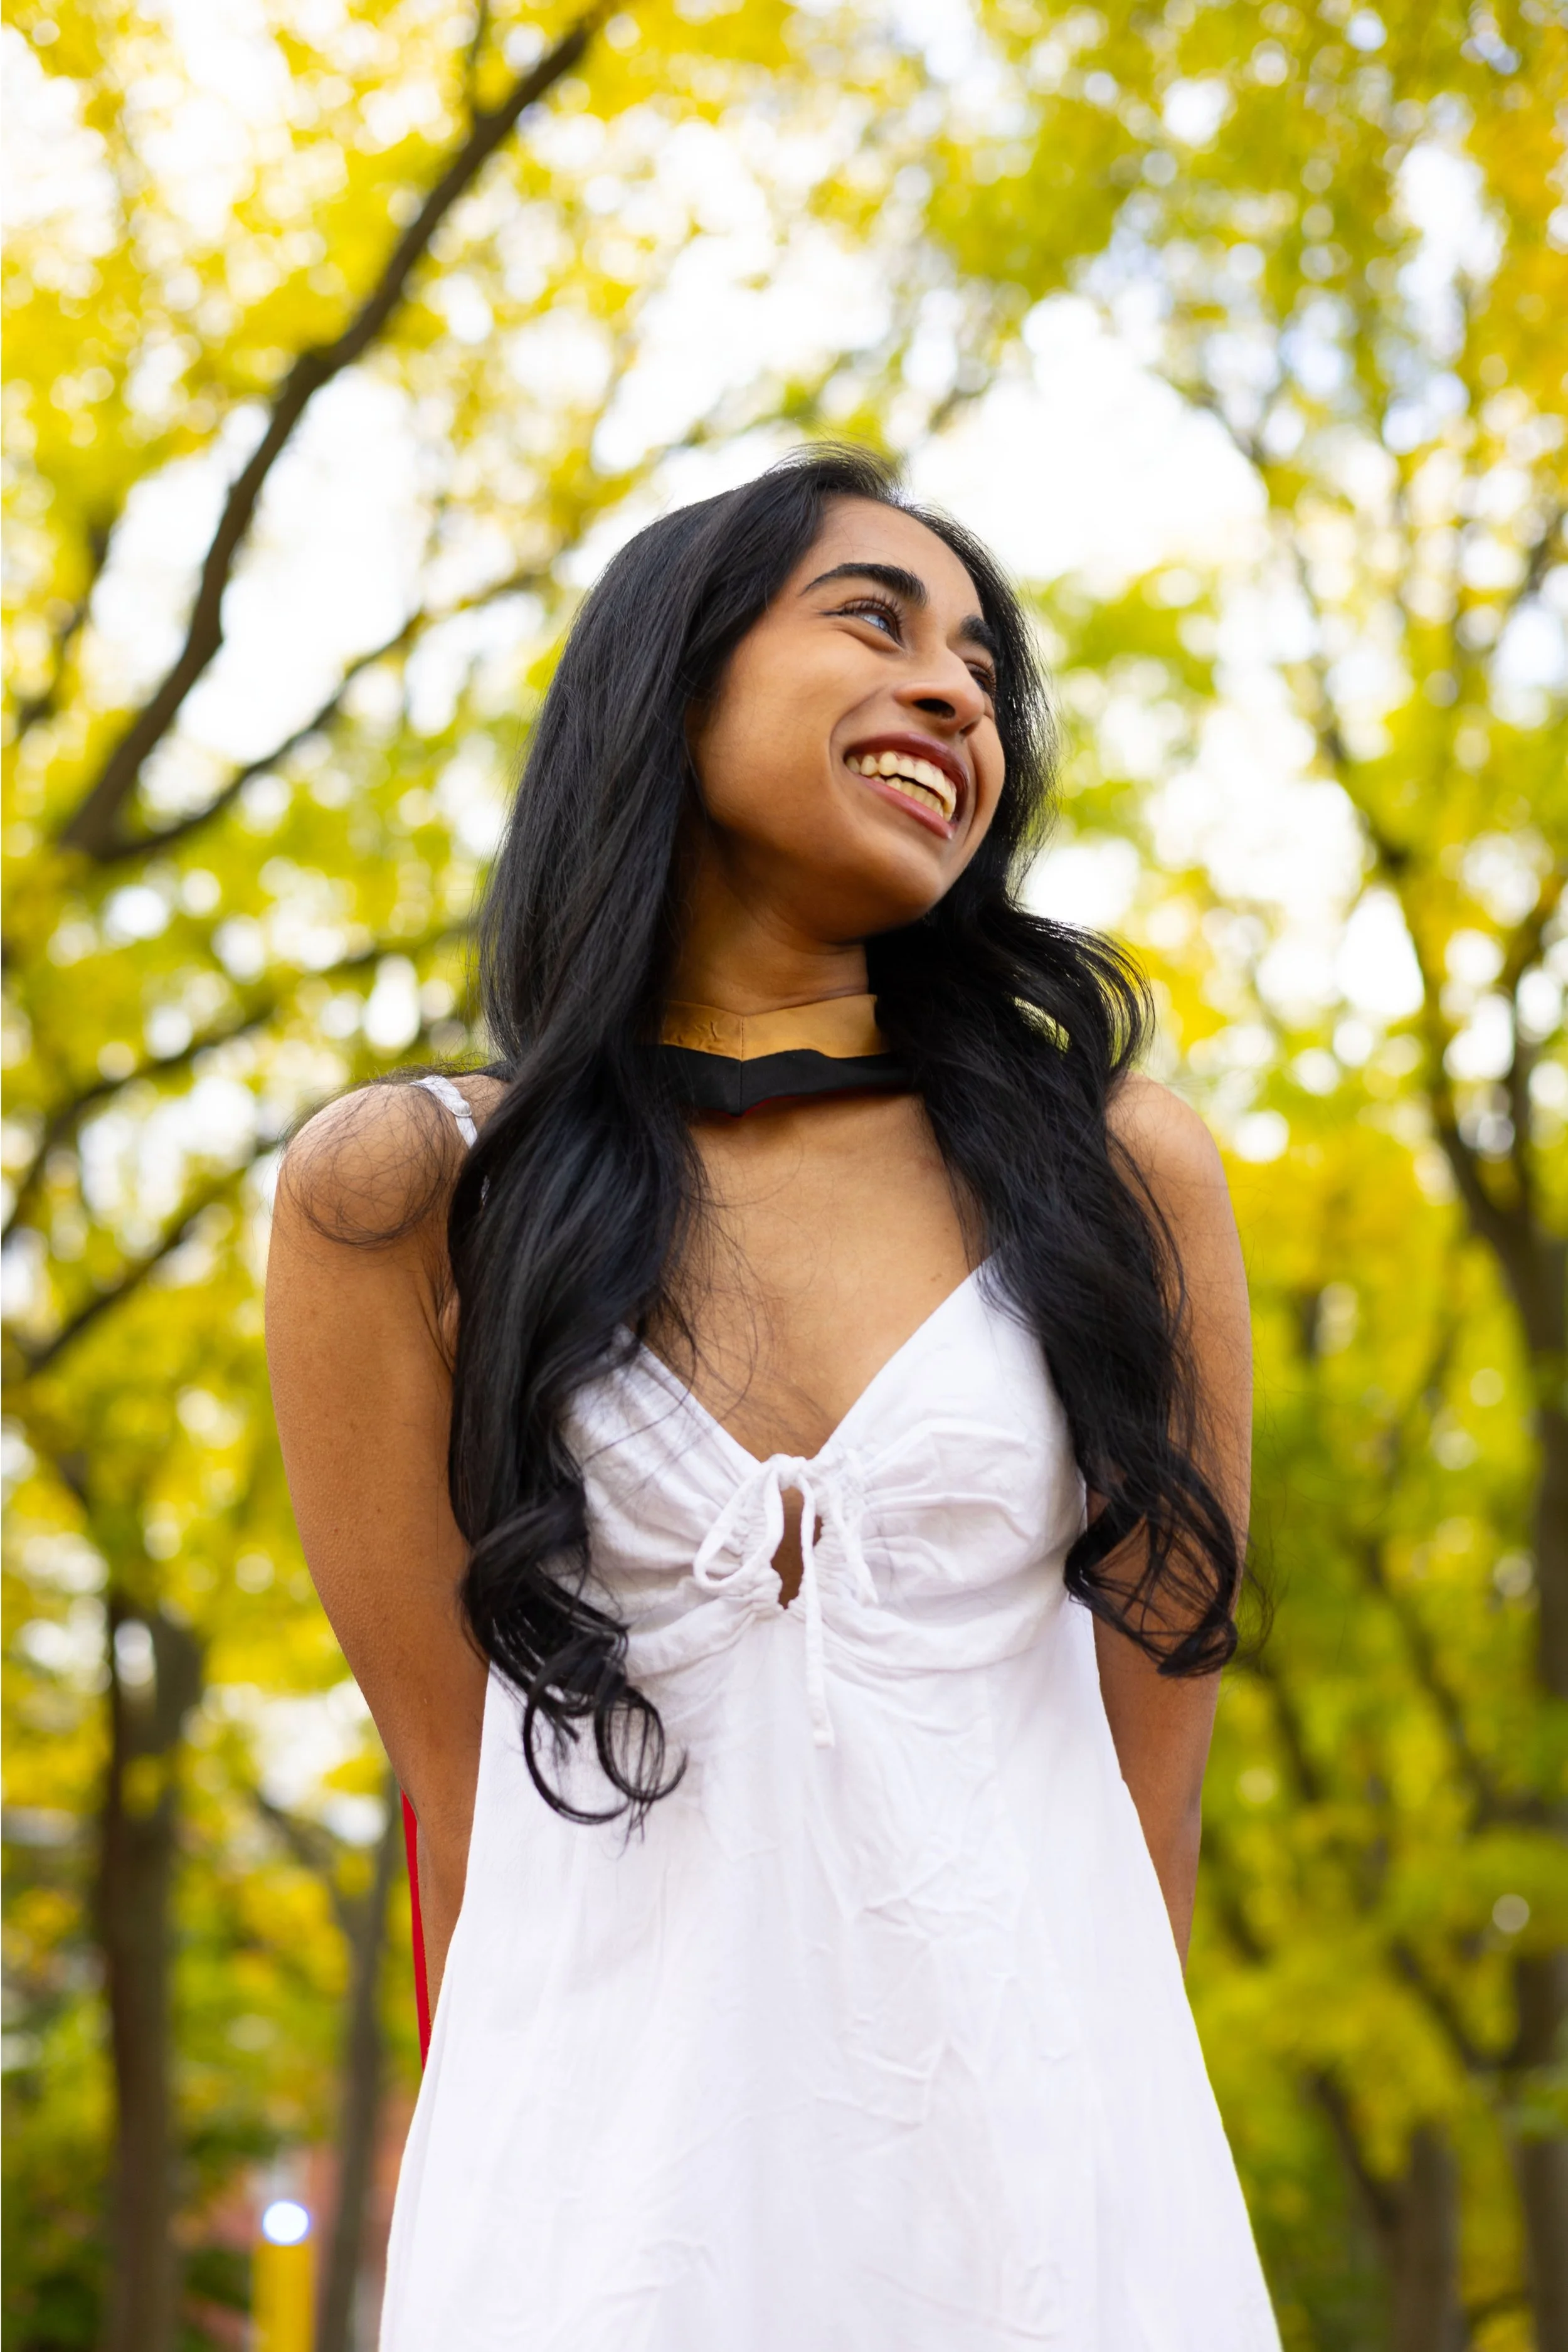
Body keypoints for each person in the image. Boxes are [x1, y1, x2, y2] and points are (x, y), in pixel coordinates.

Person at [265, 445, 1280, 2349]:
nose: (955, 690)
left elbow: (1147, 1827)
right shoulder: (400, 1195)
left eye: (983, 666)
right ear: (675, 675)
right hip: (601, 2223)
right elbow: (469, 1813)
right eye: (871, 621)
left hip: (1044, 2209)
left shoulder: (1118, 1178)